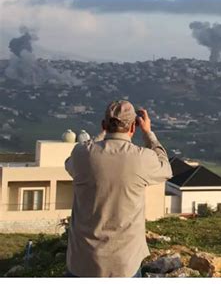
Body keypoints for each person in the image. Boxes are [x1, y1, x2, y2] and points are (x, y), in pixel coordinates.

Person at [64, 100, 172, 277]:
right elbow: (166, 168)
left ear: (104, 125)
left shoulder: (82, 154)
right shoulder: (141, 158)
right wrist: (148, 134)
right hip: (123, 265)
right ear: (133, 128)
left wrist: (101, 135)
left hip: (81, 262)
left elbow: (69, 164)